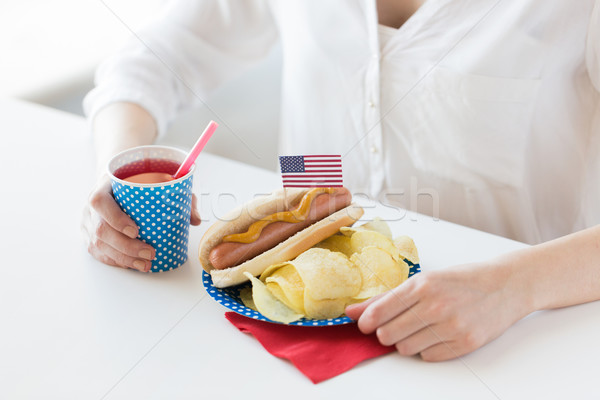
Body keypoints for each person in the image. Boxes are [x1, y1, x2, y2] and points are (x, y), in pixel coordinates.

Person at [82, 0, 600, 360]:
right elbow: (156, 57)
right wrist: (117, 171)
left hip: (515, 336)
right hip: (286, 315)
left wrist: (514, 286)